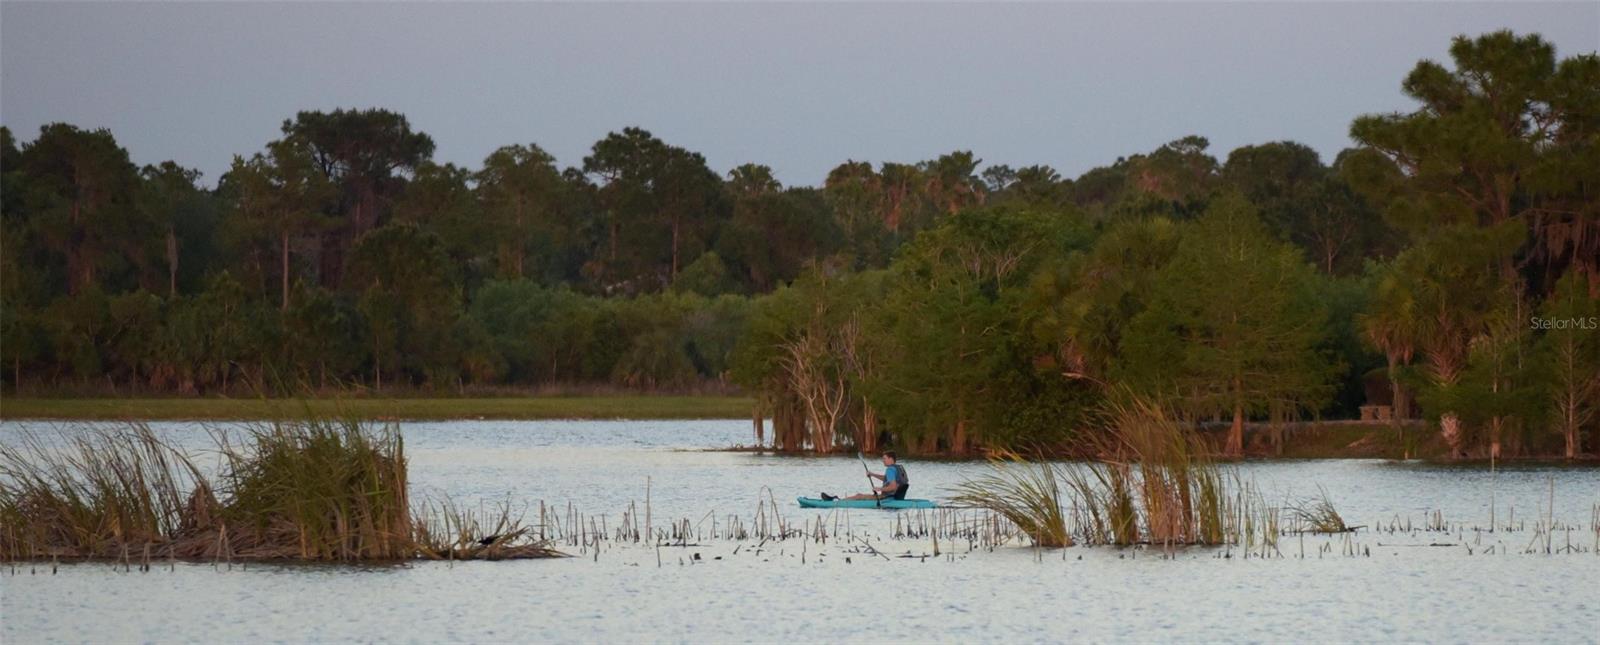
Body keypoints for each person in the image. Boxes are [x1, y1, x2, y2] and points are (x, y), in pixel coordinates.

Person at [821, 451, 909, 501]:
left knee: (859, 496)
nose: (883, 461)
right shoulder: (898, 468)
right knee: (861, 495)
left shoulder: (890, 469)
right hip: (896, 497)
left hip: (886, 498)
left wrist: (879, 489)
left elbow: (893, 486)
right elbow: (887, 479)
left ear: (890, 459)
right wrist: (873, 474)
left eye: (884, 459)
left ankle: (837, 502)